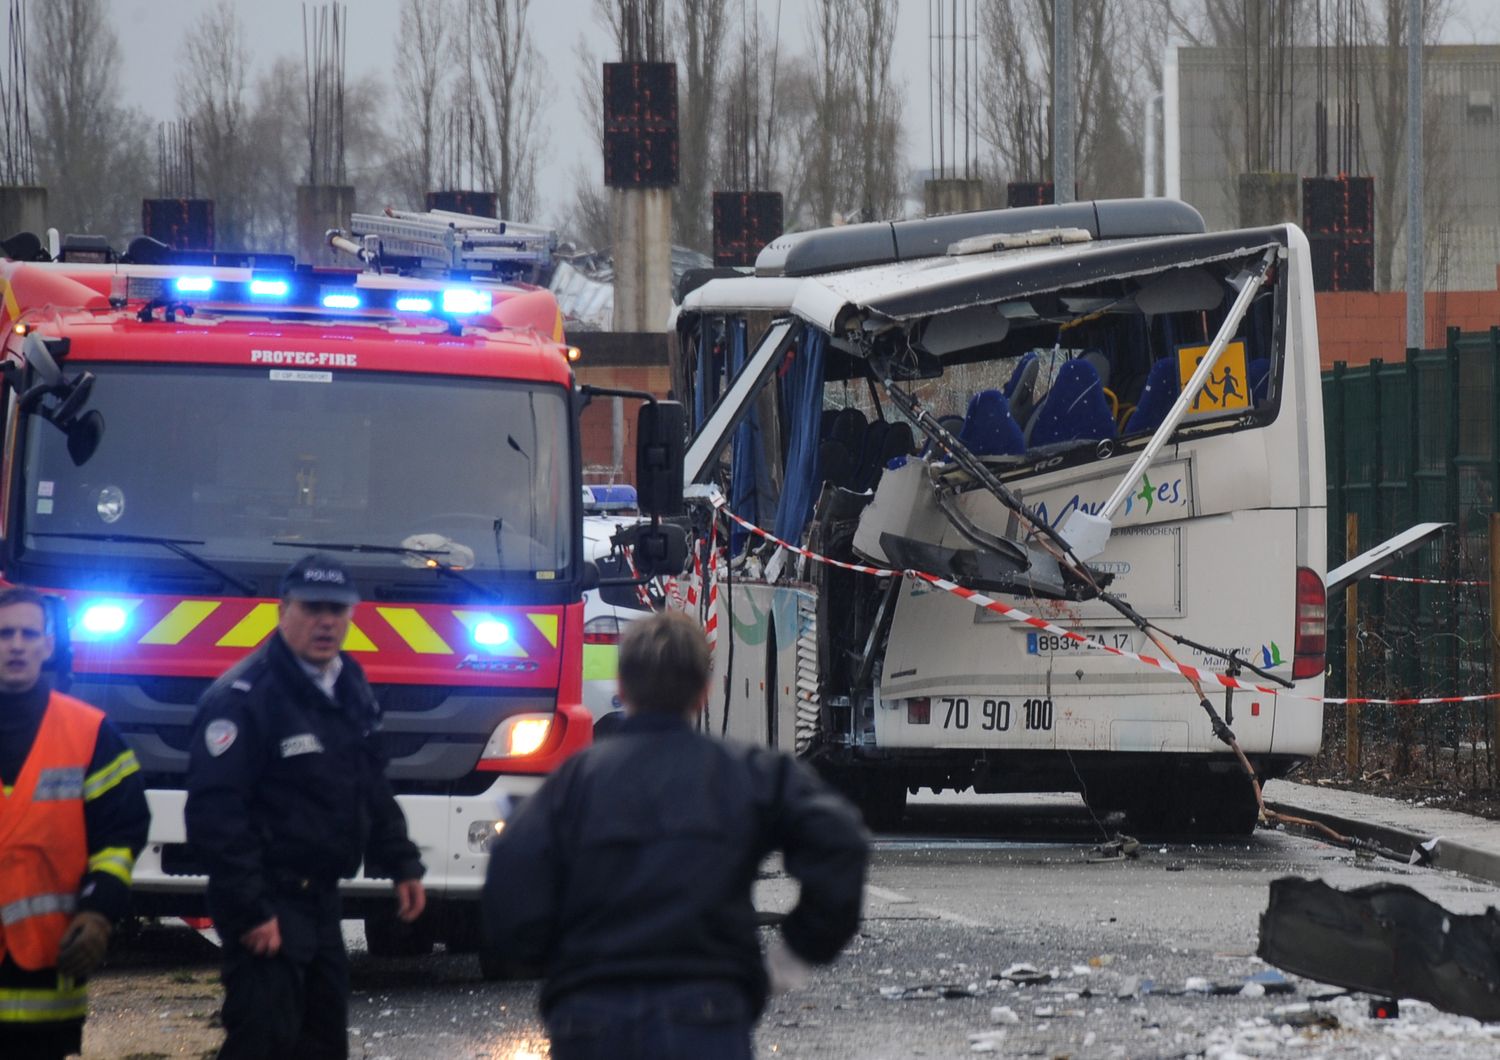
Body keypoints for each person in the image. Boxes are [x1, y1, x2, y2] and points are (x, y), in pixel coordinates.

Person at [482, 610, 870, 1060]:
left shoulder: (573, 783)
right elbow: (840, 840)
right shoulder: (747, 773)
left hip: (591, 1014)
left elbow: (512, 879)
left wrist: (549, 959)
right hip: (705, 1013)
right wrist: (798, 952)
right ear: (703, 693)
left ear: (622, 689)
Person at [185, 554, 426, 1060]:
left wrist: (401, 861)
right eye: (313, 608)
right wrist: (252, 911)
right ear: (282, 611)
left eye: (338, 610)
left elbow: (368, 780)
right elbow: (217, 818)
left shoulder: (346, 681)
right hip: (268, 900)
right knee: (263, 1038)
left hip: (321, 901)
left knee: (322, 1042)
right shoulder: (243, 699)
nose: (326, 622)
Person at [0, 586, 149, 1060]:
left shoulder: (90, 733)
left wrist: (99, 908)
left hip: (47, 970)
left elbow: (119, 835)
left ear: (48, 645)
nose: (17, 644)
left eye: (28, 633)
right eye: (4, 634)